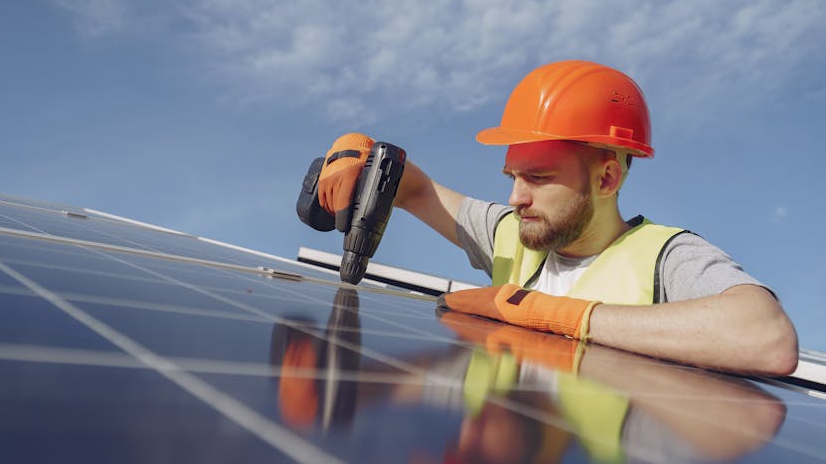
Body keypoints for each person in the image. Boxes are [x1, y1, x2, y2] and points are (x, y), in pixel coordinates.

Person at [314, 60, 798, 376]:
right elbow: (412, 187)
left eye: (539, 178)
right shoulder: (515, 234)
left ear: (607, 179)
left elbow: (766, 337)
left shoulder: (664, 257)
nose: (515, 197)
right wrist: (361, 151)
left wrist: (553, 316)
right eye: (512, 175)